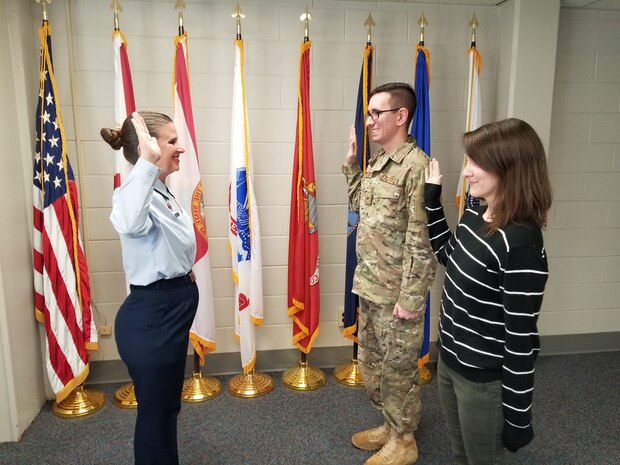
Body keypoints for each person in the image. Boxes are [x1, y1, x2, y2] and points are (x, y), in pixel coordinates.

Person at [424, 118, 552, 465]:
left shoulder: (521, 242)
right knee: (460, 454)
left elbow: (521, 340)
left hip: (482, 380)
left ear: (509, 169)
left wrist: (517, 416)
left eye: (477, 163)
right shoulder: (477, 211)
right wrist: (432, 203)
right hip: (450, 361)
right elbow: (448, 257)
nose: (467, 172)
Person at [342, 82, 437, 465]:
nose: (368, 122)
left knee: (398, 372)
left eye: (375, 113)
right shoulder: (379, 163)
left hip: (398, 295)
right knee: (372, 366)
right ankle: (390, 424)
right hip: (371, 286)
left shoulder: (416, 168)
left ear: (401, 116)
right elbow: (361, 207)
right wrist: (351, 165)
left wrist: (411, 300)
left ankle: (404, 441)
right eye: (368, 114)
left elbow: (422, 239)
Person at [101, 112, 198, 465]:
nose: (180, 147)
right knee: (156, 413)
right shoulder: (132, 192)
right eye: (171, 141)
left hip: (170, 311)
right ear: (149, 147)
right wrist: (146, 161)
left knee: (166, 406)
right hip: (152, 318)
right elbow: (127, 221)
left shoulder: (159, 189)